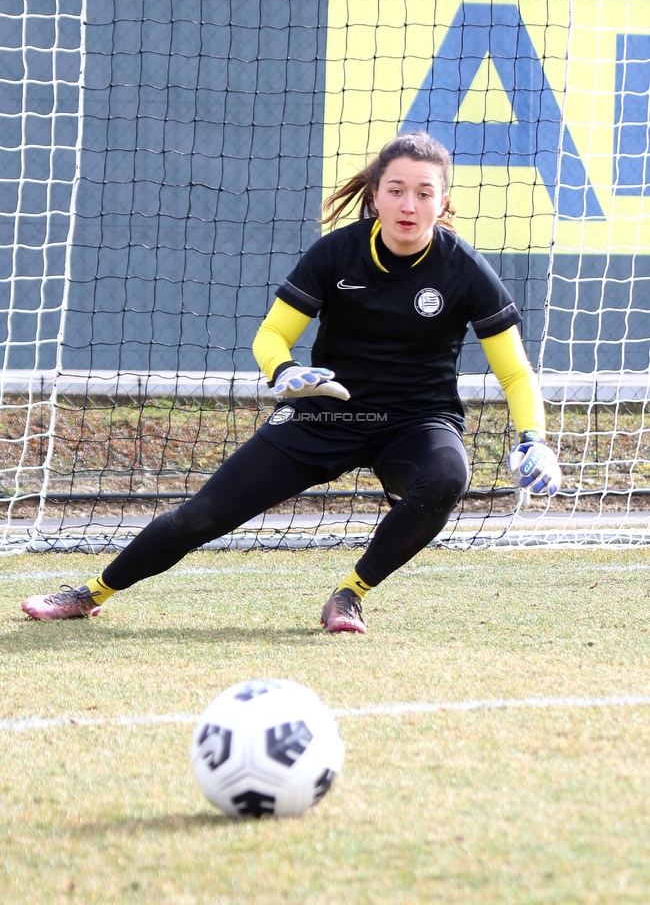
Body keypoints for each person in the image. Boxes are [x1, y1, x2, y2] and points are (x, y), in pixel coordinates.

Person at [21, 131, 561, 633]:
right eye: (396, 190)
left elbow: (514, 370)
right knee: (201, 517)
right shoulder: (336, 253)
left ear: (443, 203)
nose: (409, 204)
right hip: (323, 412)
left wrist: (534, 439)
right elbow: (271, 336)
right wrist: (287, 373)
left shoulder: (464, 269)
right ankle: (89, 594)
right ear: (375, 195)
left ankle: (350, 594)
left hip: (416, 423)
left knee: (446, 477)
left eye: (424, 192)